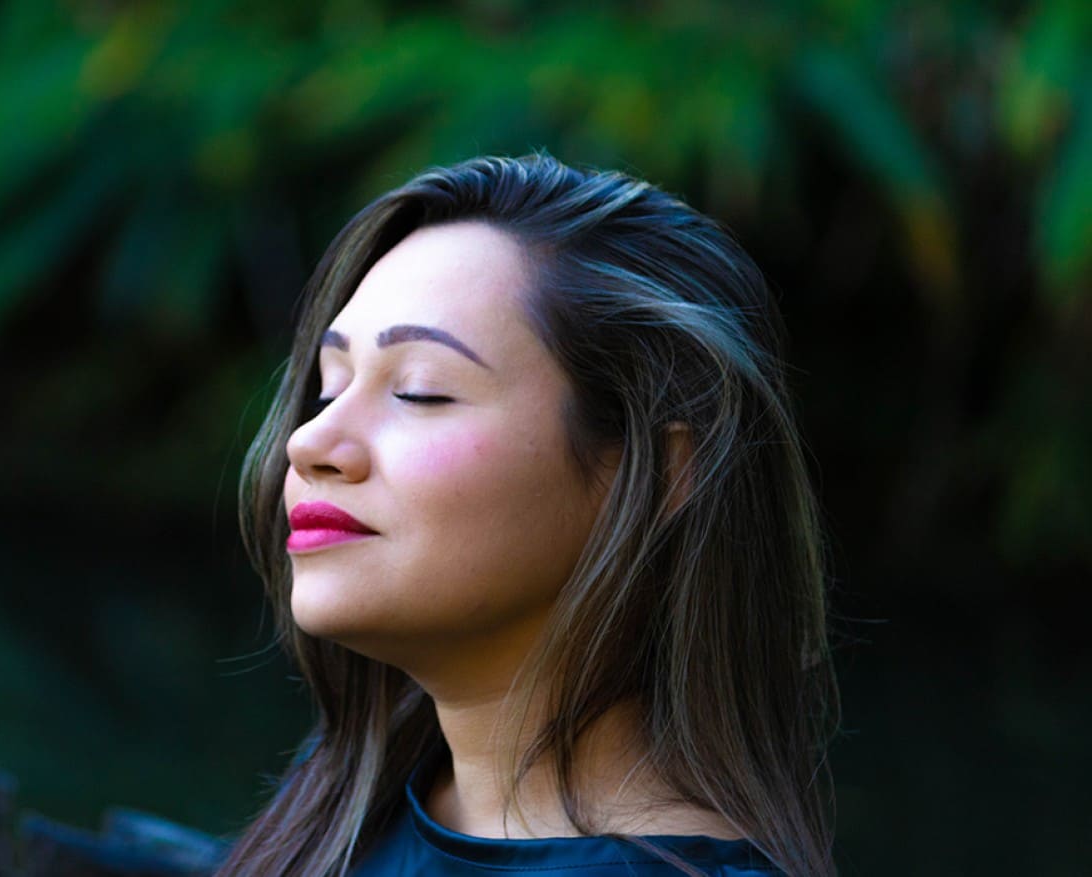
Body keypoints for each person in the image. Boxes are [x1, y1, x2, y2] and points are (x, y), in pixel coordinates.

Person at [217, 153, 838, 877]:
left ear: (663, 470)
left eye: (420, 390)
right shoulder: (337, 808)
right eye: (328, 389)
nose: (308, 440)